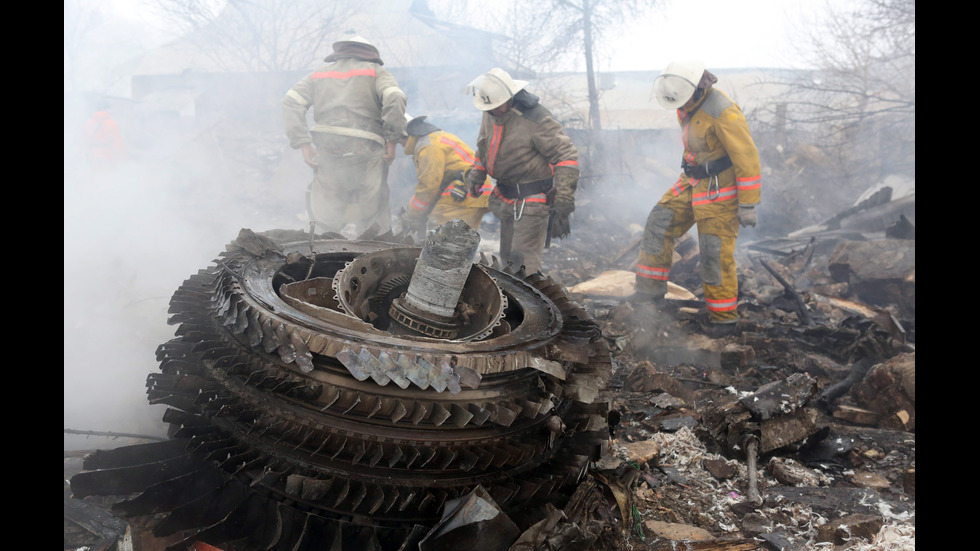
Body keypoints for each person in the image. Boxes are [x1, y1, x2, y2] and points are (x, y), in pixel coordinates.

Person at [634, 59, 761, 336]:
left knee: (714, 251)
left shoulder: (723, 112)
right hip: (691, 181)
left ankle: (724, 318)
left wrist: (748, 204)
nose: (679, 106)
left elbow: (747, 157)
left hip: (720, 188)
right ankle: (648, 294)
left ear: (696, 88)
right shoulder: (685, 103)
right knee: (659, 222)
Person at [282, 35, 407, 235]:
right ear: (369, 53)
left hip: (329, 149)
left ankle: (322, 253)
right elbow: (395, 97)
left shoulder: (318, 75)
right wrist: (392, 142)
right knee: (373, 212)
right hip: (367, 150)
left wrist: (303, 144)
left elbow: (290, 102)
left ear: (340, 51)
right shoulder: (376, 72)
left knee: (325, 213)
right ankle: (374, 251)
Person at [464, 68, 579, 275]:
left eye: (499, 107)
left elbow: (566, 156)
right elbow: (483, 147)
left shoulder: (537, 119)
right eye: (491, 109)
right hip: (505, 198)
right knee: (508, 261)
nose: (495, 112)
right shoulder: (490, 110)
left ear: (510, 96)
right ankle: (511, 304)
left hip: (532, 201)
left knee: (524, 265)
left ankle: (532, 306)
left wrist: (564, 196)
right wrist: (477, 176)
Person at [397, 115, 491, 238]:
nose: (400, 145)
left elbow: (428, 187)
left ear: (407, 134)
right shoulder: (436, 138)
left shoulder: (428, 147)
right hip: (473, 190)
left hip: (465, 193)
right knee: (457, 240)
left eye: (398, 140)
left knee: (441, 234)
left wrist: (412, 214)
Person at [82, 106, 126, 172]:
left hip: (93, 154)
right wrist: (123, 156)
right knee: (107, 176)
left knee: (94, 175)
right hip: (108, 154)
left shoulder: (89, 122)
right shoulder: (112, 123)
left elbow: (85, 140)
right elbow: (117, 141)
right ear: (107, 110)